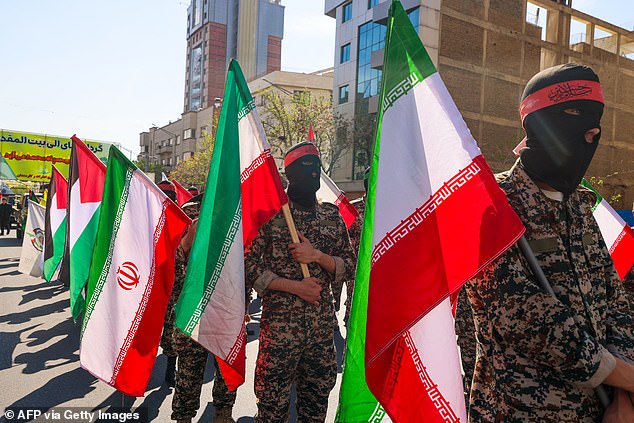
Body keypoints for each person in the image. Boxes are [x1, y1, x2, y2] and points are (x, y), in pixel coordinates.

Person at [461, 63, 634, 421]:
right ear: (538, 124)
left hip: (604, 410)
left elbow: (614, 300)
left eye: (596, 125)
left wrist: (624, 396)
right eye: (575, 115)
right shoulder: (493, 204)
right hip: (518, 412)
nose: (591, 134)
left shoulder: (581, 206)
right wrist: (625, 375)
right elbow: (523, 317)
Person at [245, 142, 355, 422]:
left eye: (317, 169)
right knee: (272, 412)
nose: (313, 175)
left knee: (316, 410)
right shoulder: (271, 215)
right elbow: (246, 265)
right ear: (289, 175)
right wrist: (295, 287)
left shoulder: (332, 217)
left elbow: (351, 265)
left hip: (320, 337)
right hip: (280, 337)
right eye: (305, 170)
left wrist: (318, 256)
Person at [166, 194, 237, 423]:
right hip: (193, 310)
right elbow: (169, 264)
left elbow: (247, 262)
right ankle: (183, 417)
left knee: (227, 371)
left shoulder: (239, 212)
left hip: (227, 310)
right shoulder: (187, 213)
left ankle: (223, 414)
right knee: (188, 373)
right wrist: (187, 241)